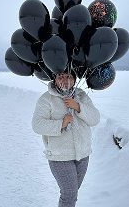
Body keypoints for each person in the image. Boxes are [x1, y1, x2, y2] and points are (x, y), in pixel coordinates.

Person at [32, 71, 100, 207]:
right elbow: (37, 125)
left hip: (83, 155)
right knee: (69, 194)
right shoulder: (47, 99)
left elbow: (95, 119)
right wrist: (61, 124)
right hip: (59, 156)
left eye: (68, 76)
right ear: (55, 79)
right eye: (60, 76)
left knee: (72, 194)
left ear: (74, 79)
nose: (64, 80)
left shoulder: (81, 96)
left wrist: (78, 106)